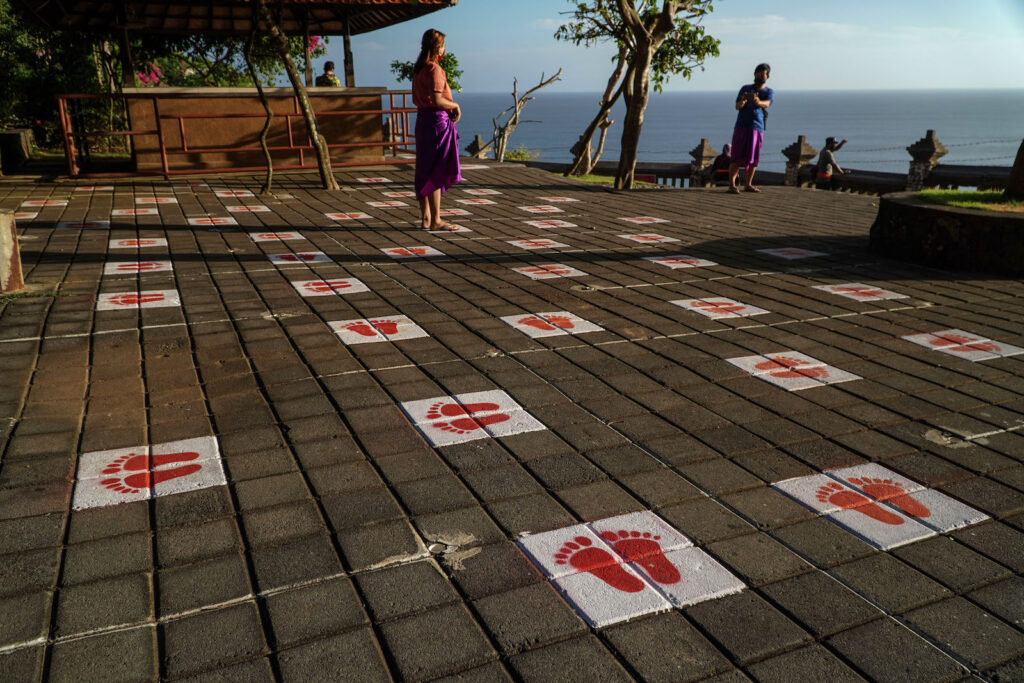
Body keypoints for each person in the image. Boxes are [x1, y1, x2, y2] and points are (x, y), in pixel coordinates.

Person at [412, 29, 463, 230]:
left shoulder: (418, 69)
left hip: (423, 121)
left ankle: (425, 218)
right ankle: (436, 220)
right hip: (436, 123)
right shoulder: (434, 69)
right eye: (443, 45)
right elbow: (437, 99)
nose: (444, 49)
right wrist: (455, 105)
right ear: (438, 48)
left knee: (424, 168)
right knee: (436, 169)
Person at [728, 63, 773, 194]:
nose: (759, 76)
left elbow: (767, 104)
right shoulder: (745, 88)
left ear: (767, 76)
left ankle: (748, 184)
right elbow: (737, 106)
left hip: (757, 127)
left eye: (762, 74)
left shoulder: (768, 91)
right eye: (757, 73)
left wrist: (758, 102)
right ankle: (732, 185)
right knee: (736, 156)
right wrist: (742, 102)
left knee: (754, 157)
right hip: (741, 125)